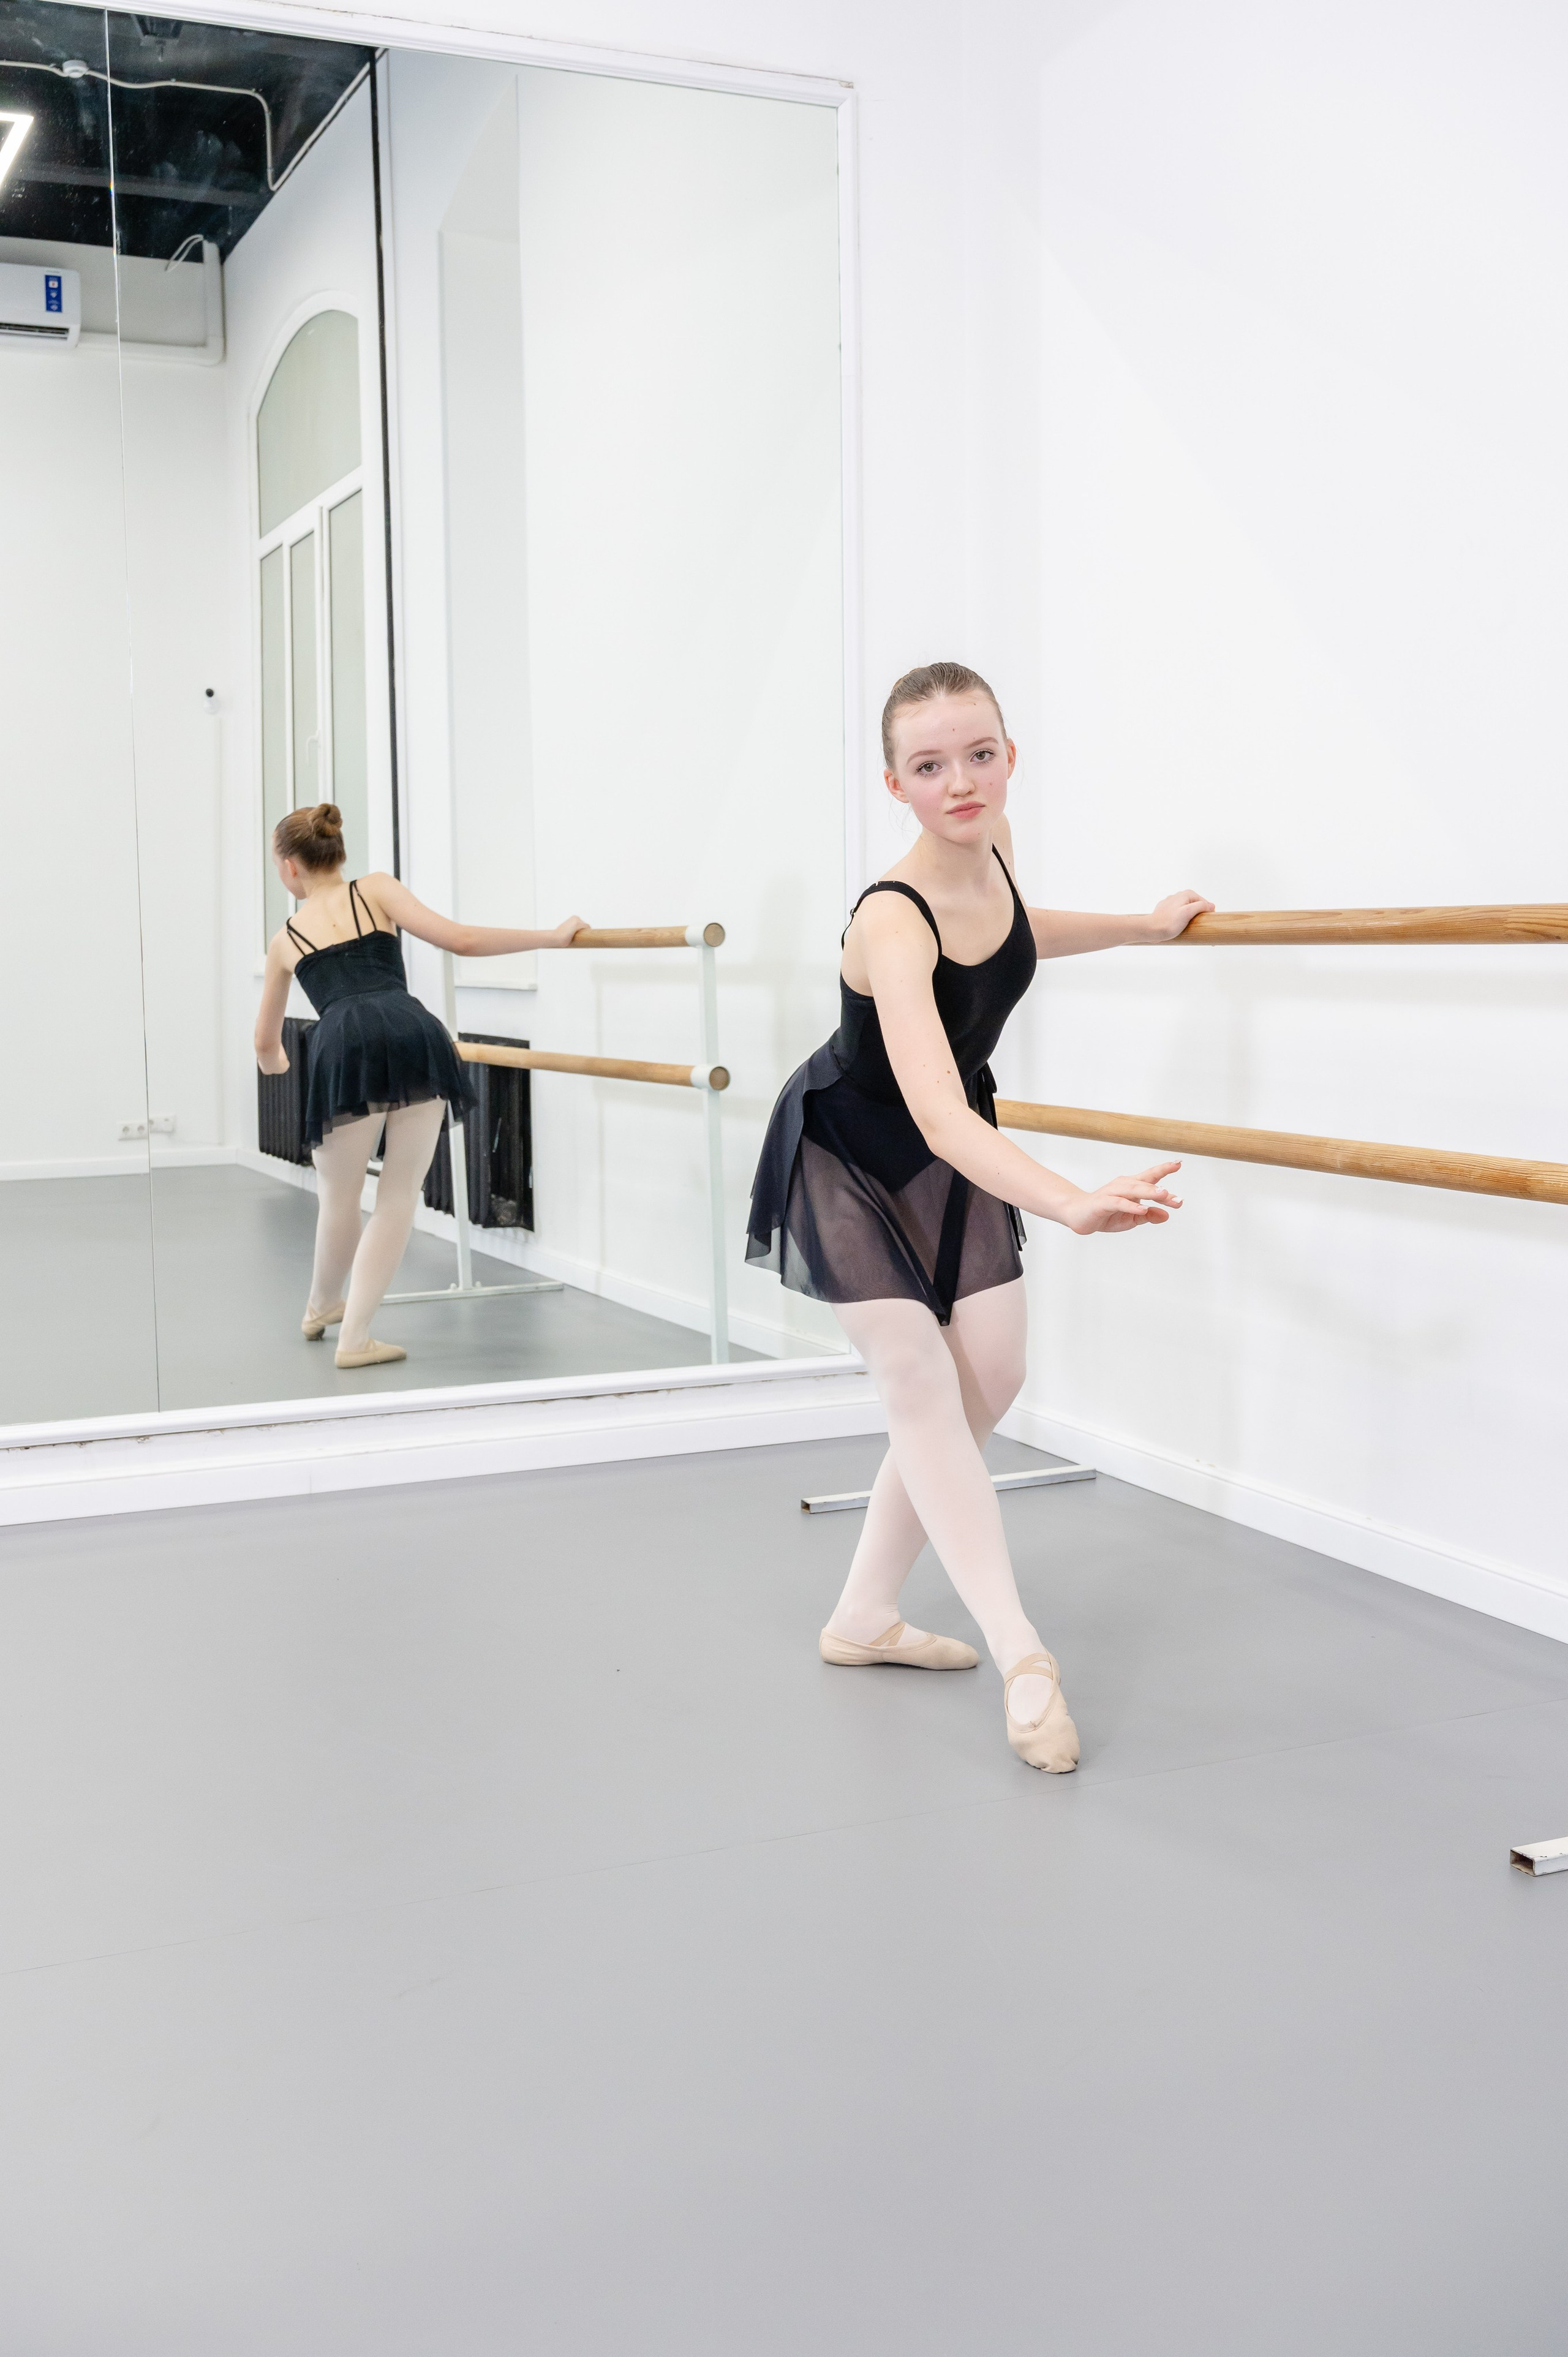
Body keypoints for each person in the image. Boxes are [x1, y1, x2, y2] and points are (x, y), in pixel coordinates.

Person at [747, 663, 1212, 1771]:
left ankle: (863, 1615)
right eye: (929, 765)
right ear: (894, 783)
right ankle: (1024, 1655)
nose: (960, 781)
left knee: (986, 1382)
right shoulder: (891, 918)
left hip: (952, 1146)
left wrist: (1143, 929)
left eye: (979, 754)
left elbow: (1010, 932)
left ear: (1011, 754)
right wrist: (1069, 1200)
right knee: (918, 1384)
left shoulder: (993, 855)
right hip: (856, 1151)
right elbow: (941, 1115)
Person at [254, 802, 584, 1370]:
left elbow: (266, 1042)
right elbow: (460, 939)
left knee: (339, 1198)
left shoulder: (287, 938)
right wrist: (551, 939)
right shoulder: (375, 889)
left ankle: (322, 1308)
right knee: (399, 1195)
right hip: (411, 1033)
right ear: (339, 852)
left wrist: (276, 1063)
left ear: (290, 869)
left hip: (343, 1046)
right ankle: (347, 1328)